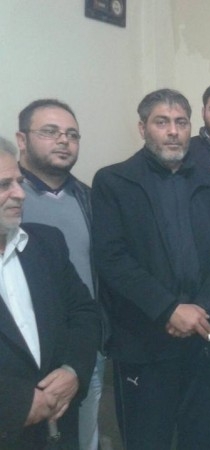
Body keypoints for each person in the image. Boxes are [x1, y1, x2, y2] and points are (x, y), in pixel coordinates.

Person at [91, 88, 210, 450]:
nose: (173, 131)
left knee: (208, 438)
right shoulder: (114, 182)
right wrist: (169, 309)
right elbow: (112, 258)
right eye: (162, 122)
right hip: (144, 341)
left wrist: (203, 307)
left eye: (181, 122)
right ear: (142, 128)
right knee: (148, 440)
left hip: (205, 339)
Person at [15, 98, 106, 450]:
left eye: (72, 134)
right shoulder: (11, 199)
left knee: (83, 435)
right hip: (25, 355)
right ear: (22, 140)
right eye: (50, 132)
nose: (63, 140)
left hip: (83, 346)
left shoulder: (88, 198)